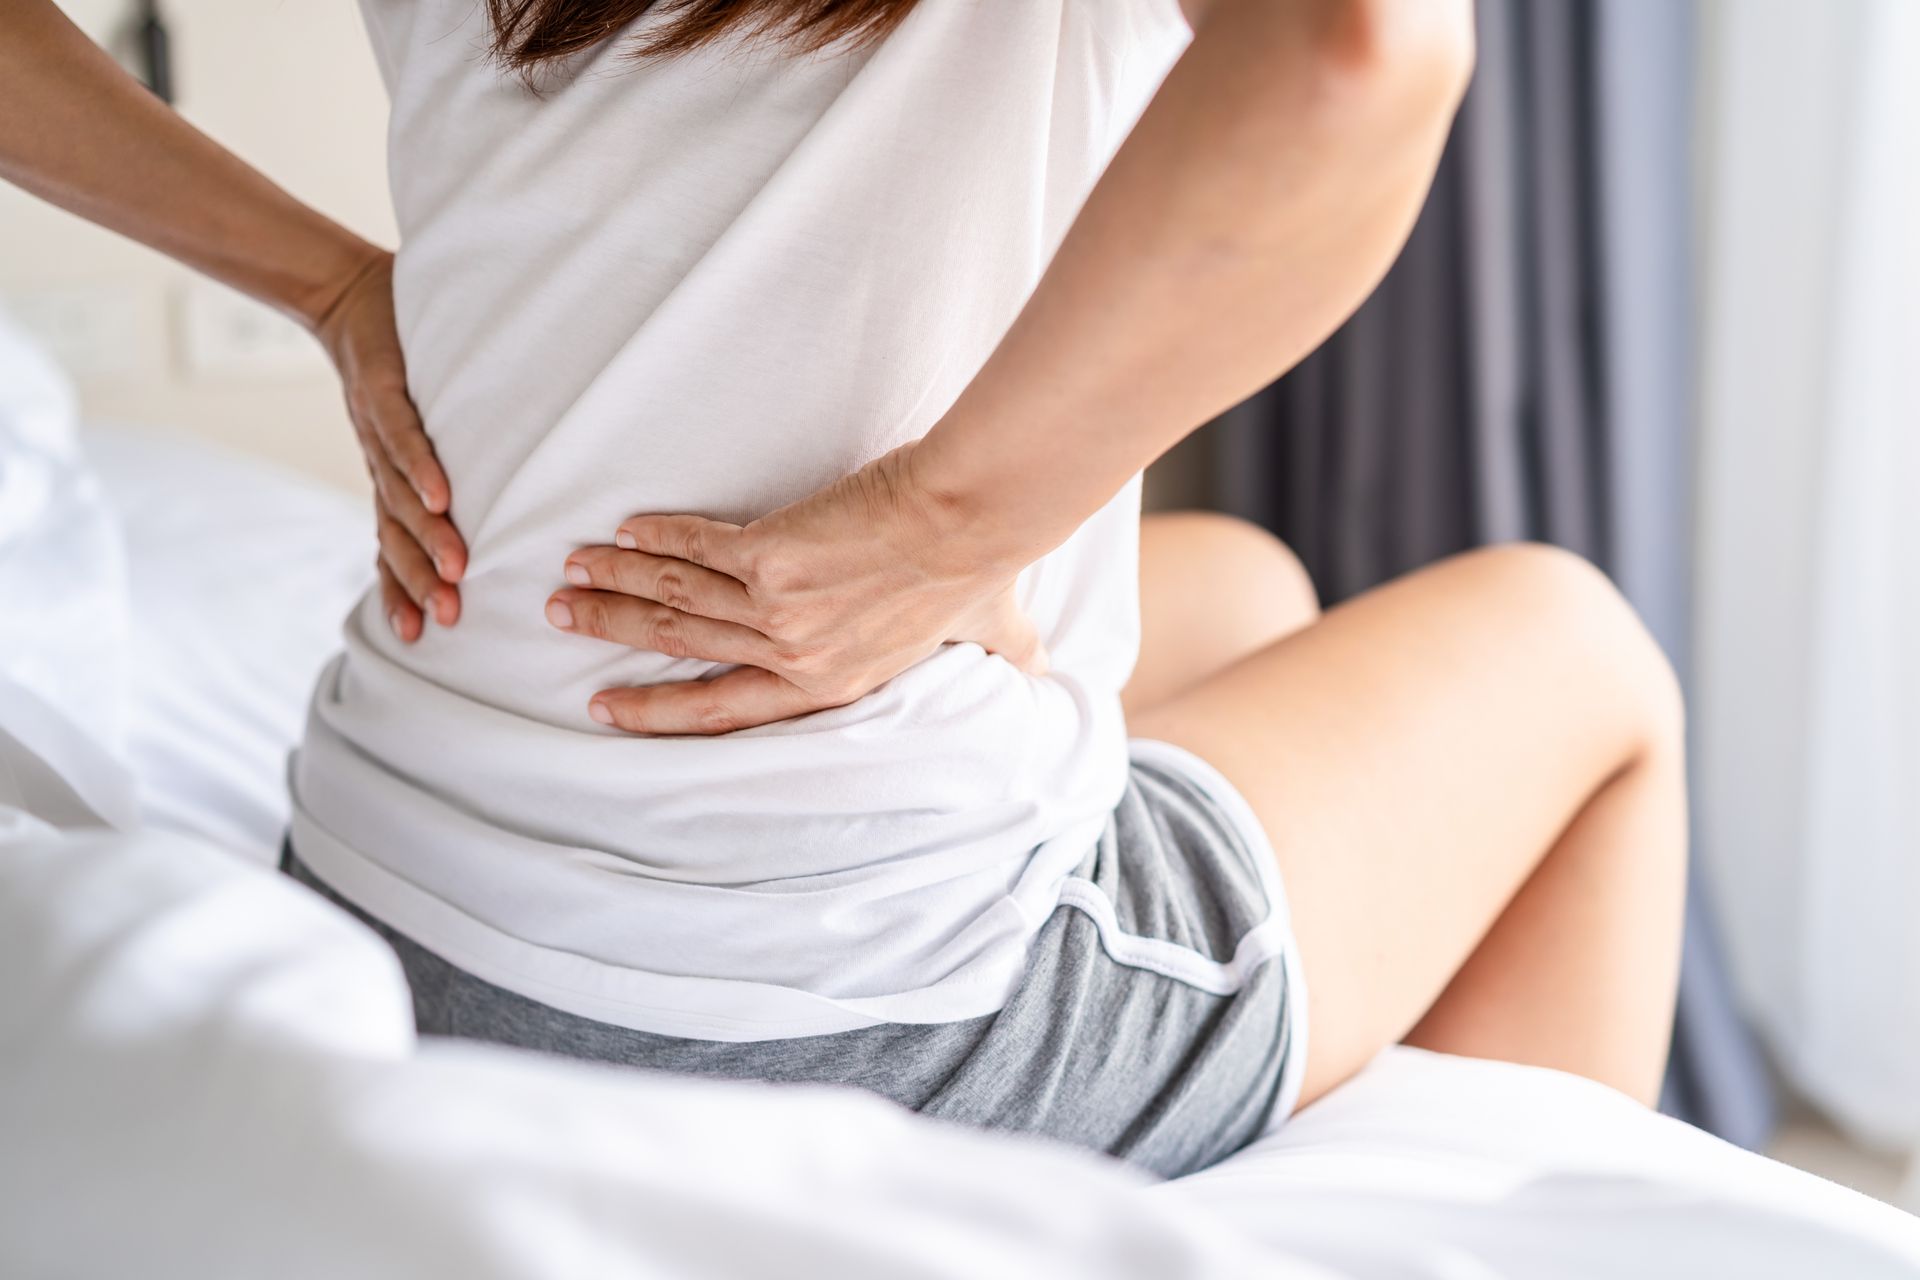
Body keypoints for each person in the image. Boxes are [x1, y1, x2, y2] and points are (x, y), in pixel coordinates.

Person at [3, 0, 1685, 1179]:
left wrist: (326, 285)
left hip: (390, 883)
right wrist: (940, 527)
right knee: (1585, 659)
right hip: (845, 1009)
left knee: (1239, 587)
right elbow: (1362, 46)